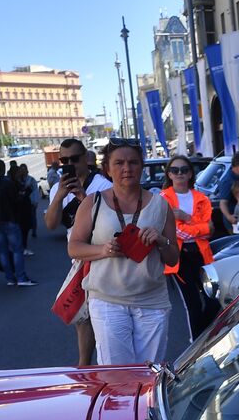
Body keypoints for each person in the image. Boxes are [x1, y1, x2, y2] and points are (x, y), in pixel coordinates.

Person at [68, 140, 180, 364]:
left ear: (141, 166)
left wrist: (160, 240)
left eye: (133, 162)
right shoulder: (94, 202)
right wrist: (104, 249)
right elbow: (74, 247)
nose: (126, 168)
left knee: (148, 375)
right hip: (107, 300)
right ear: (107, 169)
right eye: (118, 163)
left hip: (152, 302)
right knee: (116, 375)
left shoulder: (160, 205)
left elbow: (173, 258)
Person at [46, 138, 112, 366]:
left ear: (85, 158)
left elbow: (108, 223)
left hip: (102, 255)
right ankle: (85, 365)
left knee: (99, 314)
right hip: (78, 258)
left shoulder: (103, 186)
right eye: (64, 160)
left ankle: (101, 364)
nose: (69, 164)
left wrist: (83, 197)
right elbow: (50, 224)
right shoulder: (58, 187)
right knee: (81, 316)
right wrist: (59, 196)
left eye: (74, 159)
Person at [160, 154, 217, 337]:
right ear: (169, 174)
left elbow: (210, 230)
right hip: (179, 256)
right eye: (175, 170)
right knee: (192, 302)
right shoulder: (163, 199)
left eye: (184, 170)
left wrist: (186, 218)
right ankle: (197, 343)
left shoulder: (202, 198)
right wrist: (199, 226)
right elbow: (175, 231)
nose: (179, 174)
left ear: (191, 173)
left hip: (202, 254)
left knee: (213, 299)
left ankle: (206, 338)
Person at [0, 158, 33, 287]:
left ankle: (9, 278)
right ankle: (21, 277)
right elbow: (16, 202)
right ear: (3, 168)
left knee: (2, 251)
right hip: (10, 220)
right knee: (17, 250)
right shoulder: (8, 183)